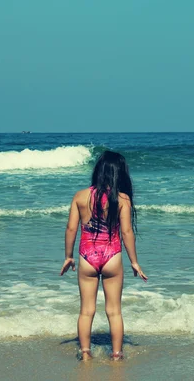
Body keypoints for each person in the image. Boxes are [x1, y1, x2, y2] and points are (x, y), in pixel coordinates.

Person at [60, 150, 147, 361]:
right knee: (114, 311)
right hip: (112, 257)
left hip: (87, 256)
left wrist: (68, 256)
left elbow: (71, 229)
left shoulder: (80, 196)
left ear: (98, 171)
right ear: (119, 174)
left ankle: (86, 353)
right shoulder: (122, 199)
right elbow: (127, 232)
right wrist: (134, 262)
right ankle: (117, 355)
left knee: (86, 311)